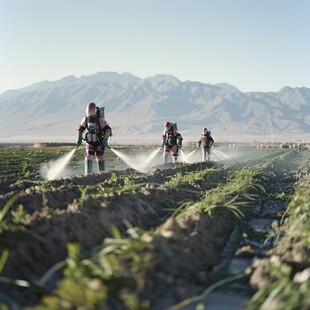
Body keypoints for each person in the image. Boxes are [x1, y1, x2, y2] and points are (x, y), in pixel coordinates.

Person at [76, 102, 112, 175]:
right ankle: (88, 174)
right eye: (89, 111)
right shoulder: (85, 119)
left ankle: (102, 174)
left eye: (92, 111)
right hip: (90, 142)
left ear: (95, 111)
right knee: (89, 156)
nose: (90, 113)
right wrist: (79, 138)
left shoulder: (101, 120)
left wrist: (105, 139)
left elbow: (107, 130)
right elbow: (80, 129)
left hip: (100, 142)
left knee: (100, 156)